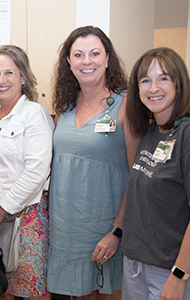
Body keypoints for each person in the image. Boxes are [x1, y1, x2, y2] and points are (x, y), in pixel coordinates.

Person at [122, 47, 190, 300]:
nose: (153, 88)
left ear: (179, 83)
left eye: (163, 78)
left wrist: (179, 275)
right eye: (145, 80)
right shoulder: (151, 132)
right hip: (137, 264)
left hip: (172, 268)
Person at [47, 26, 139, 299]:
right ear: (68, 62)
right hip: (67, 230)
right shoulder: (64, 108)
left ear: (108, 58)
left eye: (95, 53)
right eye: (78, 55)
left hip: (107, 227)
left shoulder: (125, 106)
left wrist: (116, 231)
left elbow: (138, 176)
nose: (87, 61)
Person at [0, 45, 53, 300]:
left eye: (9, 73)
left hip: (24, 221)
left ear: (23, 78)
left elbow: (36, 172)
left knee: (31, 293)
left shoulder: (34, 115)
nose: (1, 80)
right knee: (0, 290)